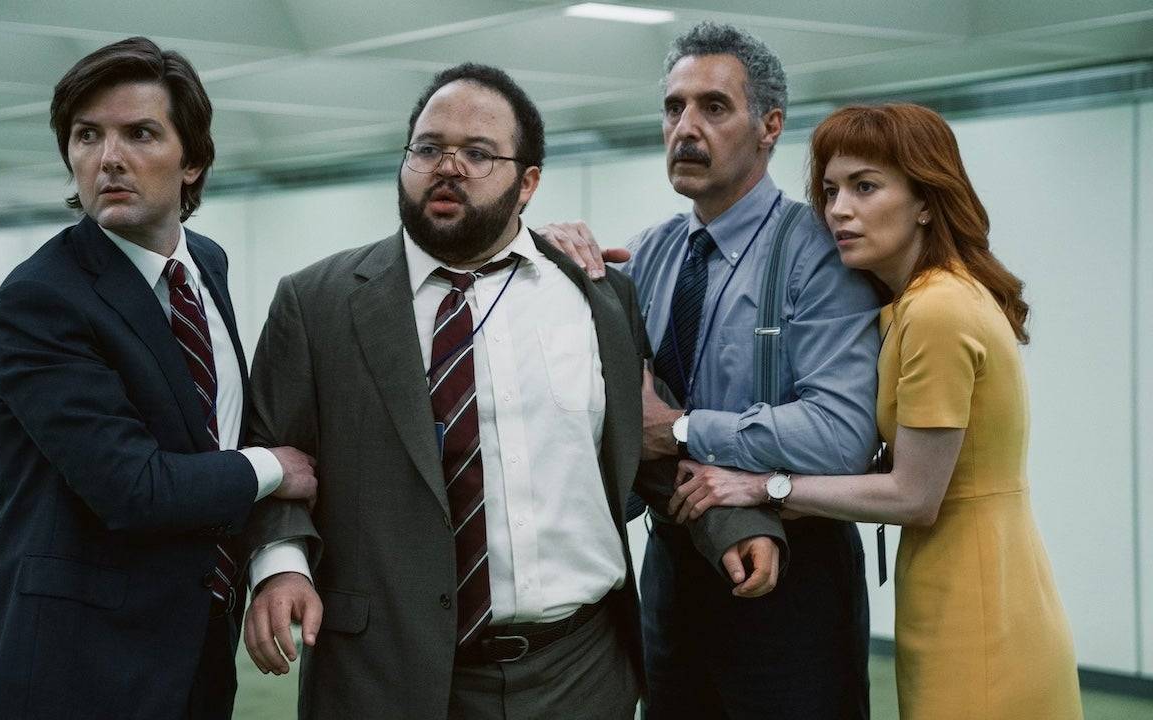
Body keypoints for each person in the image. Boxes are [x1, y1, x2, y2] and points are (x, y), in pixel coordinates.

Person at [234, 63, 649, 720]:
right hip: (384, 674)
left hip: (580, 672)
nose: (446, 168)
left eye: (478, 153)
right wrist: (282, 562)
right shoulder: (317, 304)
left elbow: (644, 448)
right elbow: (273, 454)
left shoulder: (599, 296)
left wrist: (739, 519)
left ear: (528, 183)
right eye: (428, 149)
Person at [668, 102, 1084, 719]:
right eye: (830, 190)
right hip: (974, 576)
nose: (838, 209)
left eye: (865, 187)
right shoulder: (927, 300)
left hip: (975, 600)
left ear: (926, 200)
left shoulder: (937, 311)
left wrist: (763, 486)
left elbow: (914, 495)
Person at [538, 21, 881, 719]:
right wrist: (542, 265)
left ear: (769, 126)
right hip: (672, 569)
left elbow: (842, 435)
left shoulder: (819, 252)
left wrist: (683, 429)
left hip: (794, 575)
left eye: (714, 107)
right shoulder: (648, 255)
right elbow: (602, 406)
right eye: (674, 108)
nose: (686, 129)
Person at [0, 37, 316, 720]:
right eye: (87, 136)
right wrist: (272, 467)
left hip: (195, 644)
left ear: (192, 161)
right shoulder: (41, 299)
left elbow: (208, 431)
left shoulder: (206, 266)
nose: (109, 158)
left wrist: (273, 559)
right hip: (79, 663)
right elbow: (131, 487)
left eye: (139, 133)